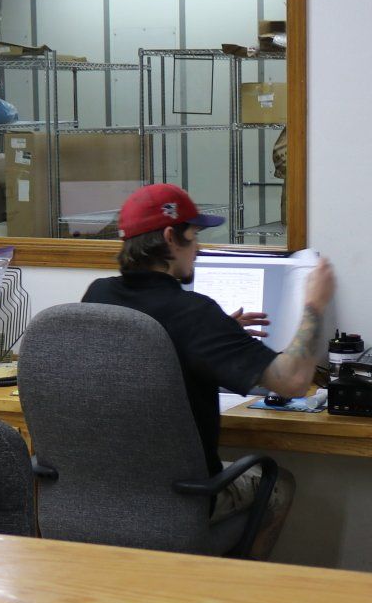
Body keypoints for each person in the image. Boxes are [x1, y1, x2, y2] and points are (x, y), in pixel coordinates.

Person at [82, 183, 335, 558]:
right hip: (179, 503)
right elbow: (294, 381)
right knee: (279, 485)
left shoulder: (96, 296)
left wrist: (222, 336)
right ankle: (230, 590)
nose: (198, 249)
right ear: (171, 238)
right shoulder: (194, 314)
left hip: (94, 501)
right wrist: (314, 304)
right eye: (194, 236)